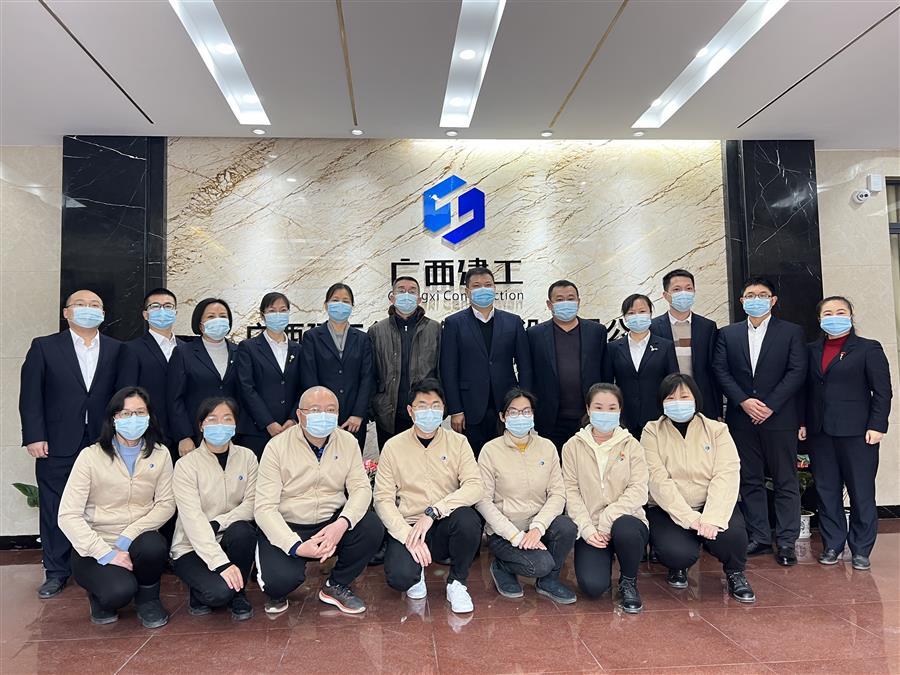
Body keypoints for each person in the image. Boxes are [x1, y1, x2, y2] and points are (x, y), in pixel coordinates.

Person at [18, 289, 125, 598]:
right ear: (66, 312)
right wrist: (34, 435)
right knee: (55, 506)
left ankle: (101, 563)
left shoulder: (117, 349)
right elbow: (31, 396)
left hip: (103, 441)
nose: (88, 309)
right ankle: (56, 571)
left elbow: (123, 395)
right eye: (81, 304)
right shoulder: (44, 347)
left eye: (95, 305)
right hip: (57, 442)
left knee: (104, 505)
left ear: (103, 314)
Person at [254, 386, 384, 615]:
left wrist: (342, 523)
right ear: (299, 414)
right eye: (315, 410)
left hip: (330, 523)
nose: (323, 416)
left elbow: (361, 488)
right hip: (289, 525)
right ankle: (279, 579)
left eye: (330, 410)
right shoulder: (276, 447)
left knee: (371, 526)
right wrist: (295, 546)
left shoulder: (348, 442)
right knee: (279, 583)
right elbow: (264, 508)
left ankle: (336, 585)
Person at [57, 387, 175, 627]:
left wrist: (130, 534)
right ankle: (99, 595)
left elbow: (166, 503)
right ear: (113, 418)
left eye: (140, 412)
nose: (133, 419)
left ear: (149, 416)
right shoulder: (90, 457)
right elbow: (68, 515)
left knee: (154, 545)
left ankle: (149, 599)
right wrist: (106, 553)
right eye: (125, 413)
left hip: (138, 539)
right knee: (119, 592)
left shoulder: (160, 454)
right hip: (95, 545)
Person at [713, 277, 807, 566]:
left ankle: (787, 541)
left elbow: (797, 370)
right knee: (750, 479)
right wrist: (744, 401)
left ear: (773, 300)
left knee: (785, 479)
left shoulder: (791, 332)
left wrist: (770, 405)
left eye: (763, 295)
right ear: (742, 301)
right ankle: (760, 537)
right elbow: (720, 370)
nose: (756, 299)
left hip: (779, 418)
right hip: (742, 418)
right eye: (750, 295)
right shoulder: (728, 334)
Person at [642, 373, 756, 603]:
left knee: (733, 536)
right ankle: (678, 567)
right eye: (671, 398)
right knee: (676, 553)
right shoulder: (652, 431)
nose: (678, 402)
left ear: (696, 398)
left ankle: (735, 572)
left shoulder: (717, 430)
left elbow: (726, 474)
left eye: (684, 396)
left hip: (710, 504)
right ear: (662, 402)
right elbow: (657, 480)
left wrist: (712, 518)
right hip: (669, 509)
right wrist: (690, 518)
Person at [374, 378, 483, 613]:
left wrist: (434, 511)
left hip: (444, 524)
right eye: (422, 406)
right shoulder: (393, 447)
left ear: (444, 410)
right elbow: (382, 499)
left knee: (468, 520)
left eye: (435, 406)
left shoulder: (458, 442)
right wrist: (407, 536)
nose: (429, 412)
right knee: (400, 579)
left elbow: (475, 486)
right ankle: (415, 572)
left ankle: (457, 583)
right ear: (410, 411)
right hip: (410, 526)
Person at [799, 296, 892, 570]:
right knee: (826, 491)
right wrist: (802, 422)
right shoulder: (810, 350)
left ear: (851, 316)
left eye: (841, 312)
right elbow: (804, 391)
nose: (834, 317)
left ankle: (861, 549)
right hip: (820, 432)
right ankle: (833, 545)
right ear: (819, 319)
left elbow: (882, 391)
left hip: (858, 433)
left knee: (861, 491)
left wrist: (877, 425)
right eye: (828, 313)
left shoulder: (868, 348)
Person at [477, 388, 577, 603]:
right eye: (513, 412)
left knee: (567, 527)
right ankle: (502, 566)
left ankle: (549, 581)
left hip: (538, 527)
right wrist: (515, 535)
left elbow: (558, 494)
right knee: (539, 564)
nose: (520, 417)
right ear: (502, 417)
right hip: (505, 532)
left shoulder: (547, 447)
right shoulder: (490, 451)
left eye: (526, 411)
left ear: (533, 415)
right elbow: (483, 501)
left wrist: (538, 527)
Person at [562, 383, 649, 612]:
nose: (605, 413)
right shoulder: (572, 447)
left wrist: (607, 519)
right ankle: (605, 555)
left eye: (612, 408)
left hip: (625, 520)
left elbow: (639, 490)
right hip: (590, 526)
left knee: (626, 529)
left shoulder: (632, 445)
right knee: (593, 587)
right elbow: (571, 492)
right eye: (598, 407)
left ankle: (628, 582)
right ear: (588, 409)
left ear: (620, 410)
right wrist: (587, 529)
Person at [171, 397, 258, 620]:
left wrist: (219, 523)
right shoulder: (186, 465)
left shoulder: (247, 457)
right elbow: (192, 519)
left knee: (243, 531)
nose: (220, 425)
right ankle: (203, 588)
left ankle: (239, 593)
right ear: (201, 425)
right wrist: (221, 564)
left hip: (228, 536)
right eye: (212, 419)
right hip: (191, 545)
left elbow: (252, 503)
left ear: (235, 424)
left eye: (227, 419)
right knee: (218, 594)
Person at [441, 267, 533, 456]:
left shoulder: (513, 322)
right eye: (476, 286)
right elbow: (448, 369)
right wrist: (455, 409)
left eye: (488, 285)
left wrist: (525, 404)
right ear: (467, 292)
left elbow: (525, 367)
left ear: (495, 288)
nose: (483, 289)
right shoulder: (453, 323)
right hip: (469, 407)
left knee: (507, 459)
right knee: (472, 460)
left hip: (507, 406)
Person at [527, 279, 610, 453]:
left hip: (589, 416)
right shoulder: (534, 334)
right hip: (550, 418)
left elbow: (606, 374)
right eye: (559, 299)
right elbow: (529, 373)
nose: (566, 303)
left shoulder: (596, 331)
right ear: (549, 304)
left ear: (578, 301)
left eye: (571, 298)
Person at [369, 276, 441, 449]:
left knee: (426, 461)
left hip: (426, 413)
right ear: (392, 298)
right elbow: (370, 374)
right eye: (401, 291)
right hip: (388, 414)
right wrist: (373, 407)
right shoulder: (377, 331)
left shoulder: (435, 329)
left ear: (420, 298)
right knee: (391, 461)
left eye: (412, 291)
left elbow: (442, 371)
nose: (406, 295)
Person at [300, 283, 374, 450]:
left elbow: (367, 378)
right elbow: (309, 377)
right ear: (326, 305)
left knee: (351, 462)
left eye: (345, 301)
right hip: (321, 418)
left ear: (352, 306)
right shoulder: (312, 337)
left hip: (353, 421)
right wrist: (322, 413)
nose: (340, 304)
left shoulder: (362, 339)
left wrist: (358, 414)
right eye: (335, 300)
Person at [168, 297, 240, 458]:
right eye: (211, 316)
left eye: (223, 316)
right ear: (200, 324)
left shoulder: (239, 351)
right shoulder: (183, 353)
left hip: (231, 434)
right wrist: (184, 436)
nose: (218, 320)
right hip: (195, 435)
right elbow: (174, 399)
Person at [236, 292, 303, 458]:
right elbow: (246, 388)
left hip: (291, 430)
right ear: (262, 315)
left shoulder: (298, 349)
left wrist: (293, 419)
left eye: (283, 310)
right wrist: (268, 422)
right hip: (257, 431)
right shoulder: (248, 347)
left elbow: (303, 387)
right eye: (272, 311)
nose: (278, 314)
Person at [118, 288, 184, 454]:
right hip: (149, 433)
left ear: (175, 312)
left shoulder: (187, 349)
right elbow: (127, 393)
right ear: (145, 314)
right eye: (155, 306)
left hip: (185, 435)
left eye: (168, 306)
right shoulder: (132, 349)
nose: (162, 310)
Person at [650, 269, 722, 420]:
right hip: (667, 402)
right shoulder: (653, 327)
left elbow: (713, 370)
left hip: (701, 402)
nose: (684, 293)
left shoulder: (707, 327)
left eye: (688, 288)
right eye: (677, 289)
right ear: (666, 295)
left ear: (694, 292)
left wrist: (718, 411)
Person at [608, 294, 678, 438]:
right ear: (625, 317)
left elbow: (673, 382)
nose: (637, 316)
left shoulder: (665, 346)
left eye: (642, 311)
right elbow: (607, 384)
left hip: (658, 418)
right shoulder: (613, 348)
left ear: (650, 314)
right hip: (624, 419)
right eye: (631, 313)